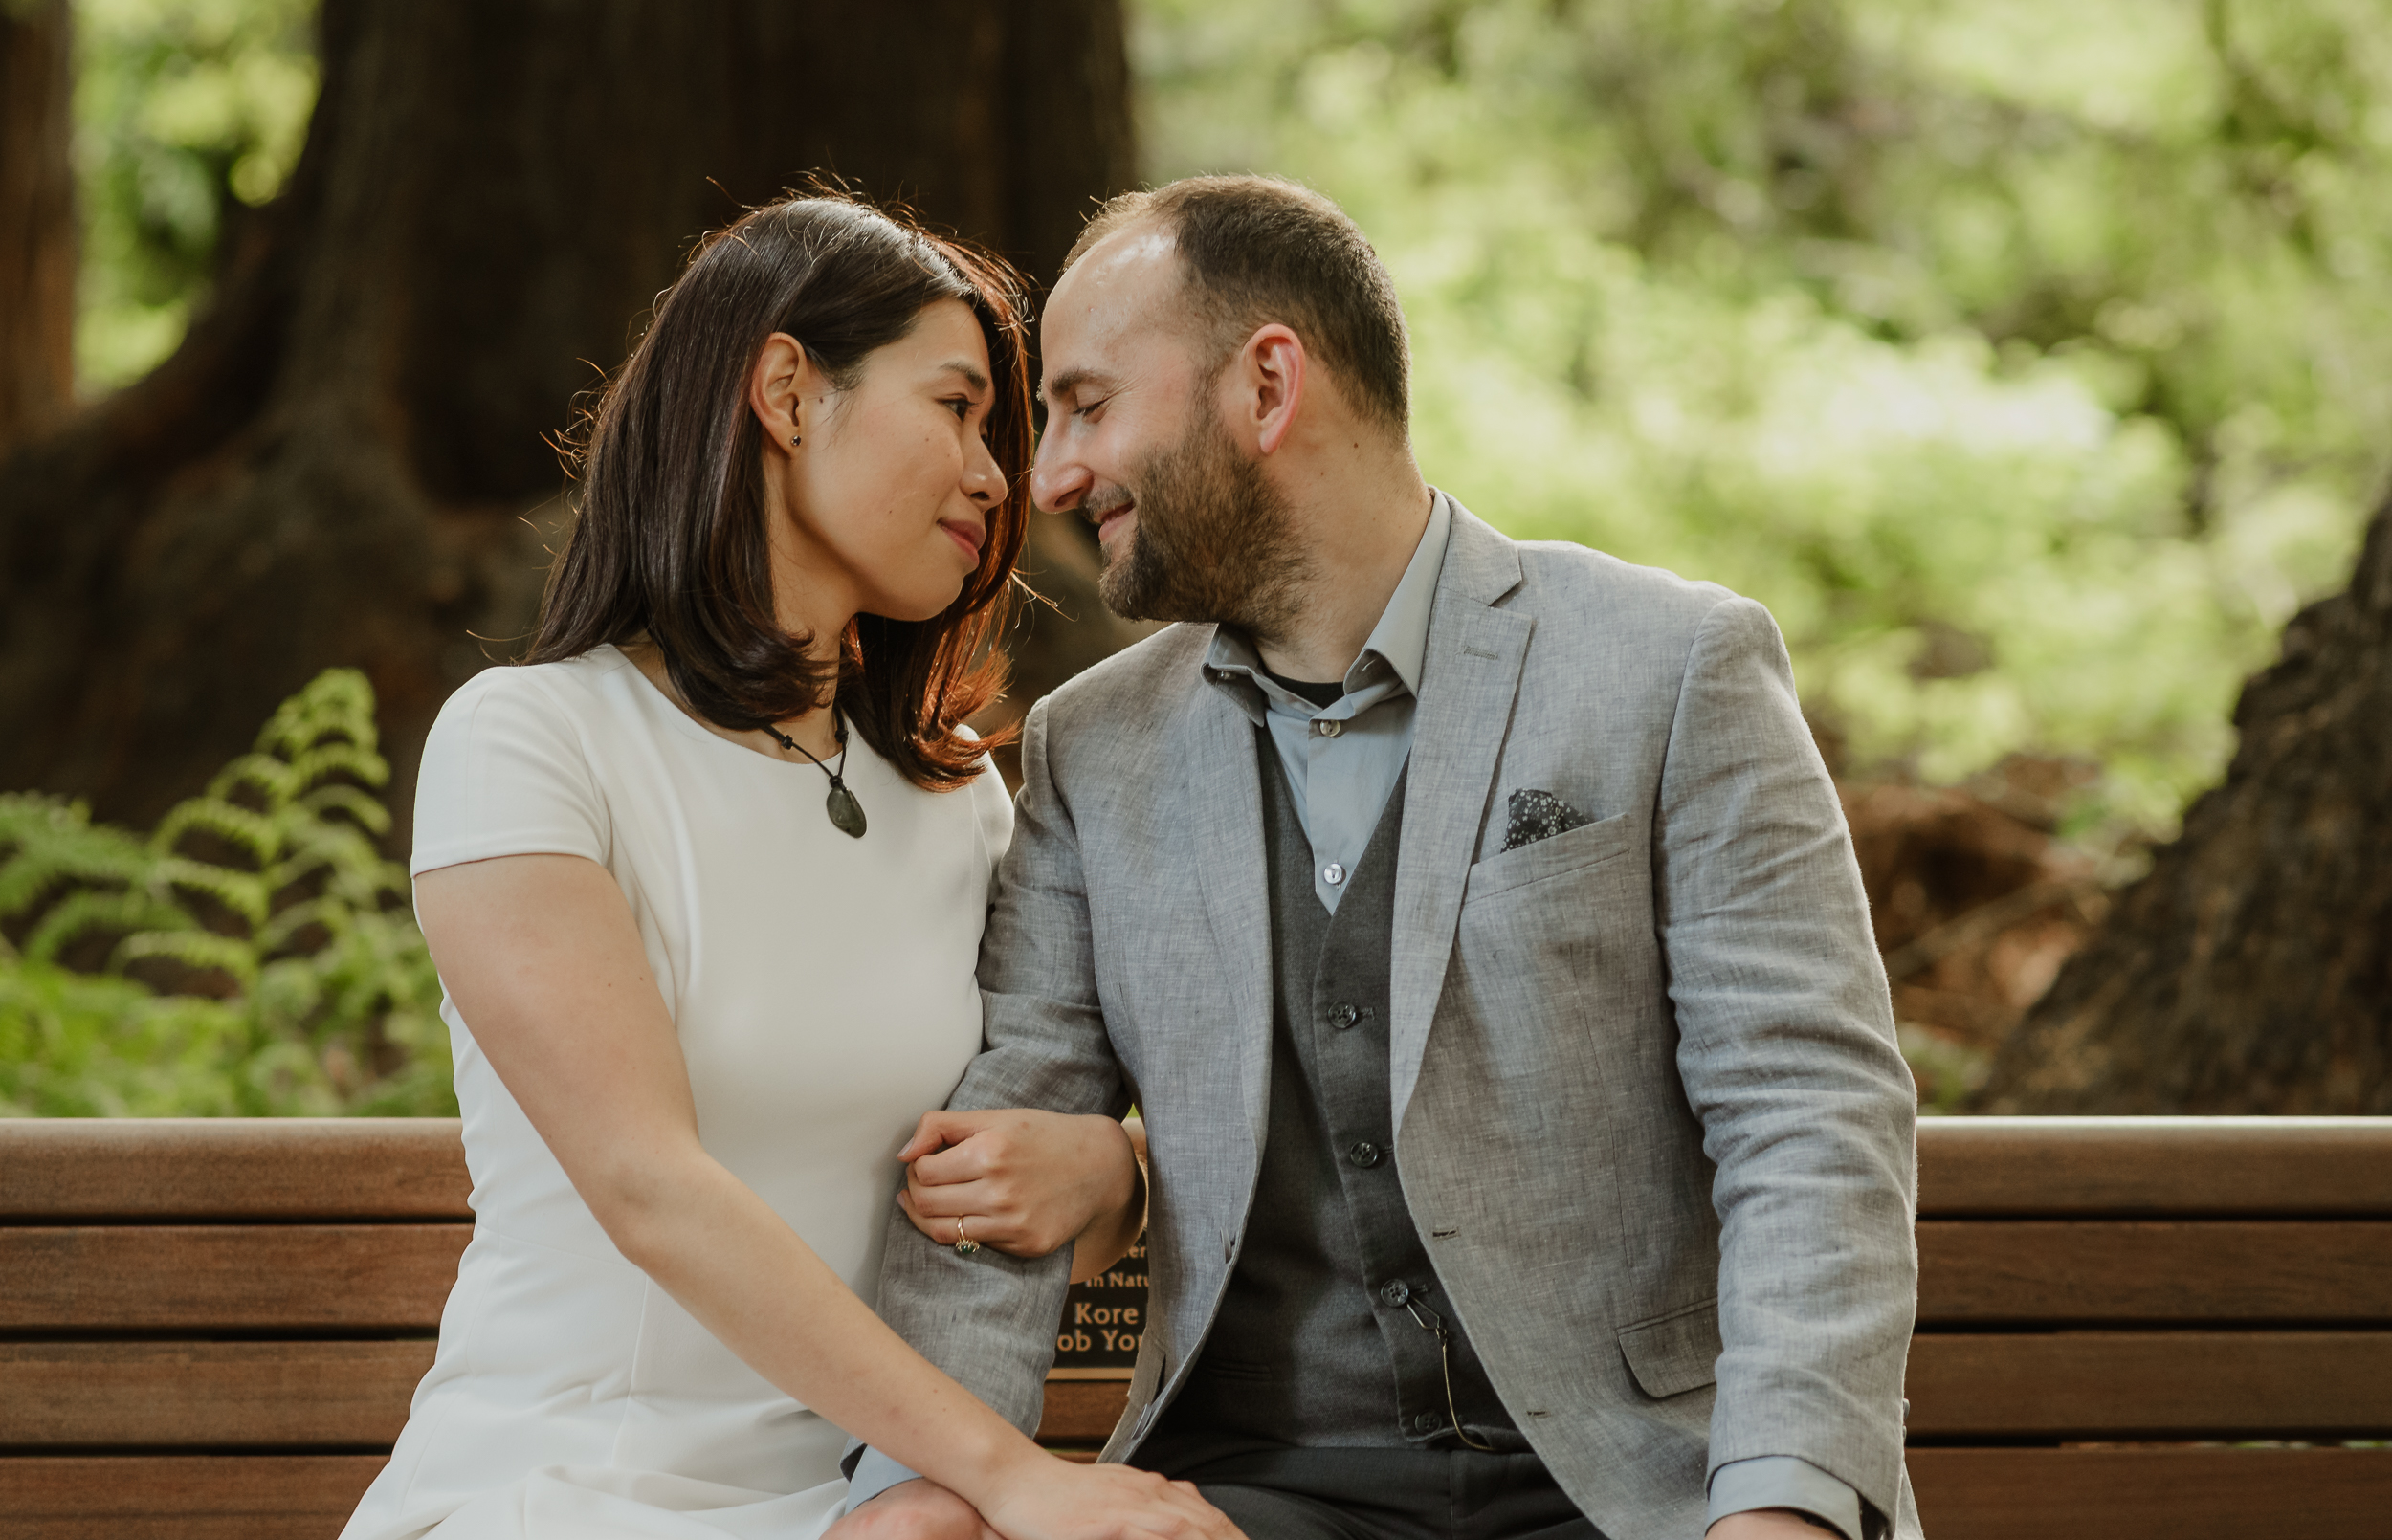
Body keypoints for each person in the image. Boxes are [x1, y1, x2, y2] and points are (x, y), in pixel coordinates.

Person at [842, 177, 1923, 1540]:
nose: (1050, 474)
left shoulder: (1668, 668)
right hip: (1250, 1491)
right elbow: (987, 1170)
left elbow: (1809, 1119)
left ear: (1269, 385)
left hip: (1644, 1485)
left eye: (1087, 403)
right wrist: (919, 1497)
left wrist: (1785, 1508)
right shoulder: (1089, 750)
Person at [343, 192, 1245, 1540]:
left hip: (870, 1503)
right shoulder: (533, 744)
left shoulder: (959, 802)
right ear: (785, 391)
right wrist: (1010, 1476)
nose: (1002, 476)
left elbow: (1013, 1156)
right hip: (571, 1485)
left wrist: (1113, 1179)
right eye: (956, 406)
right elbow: (652, 1185)